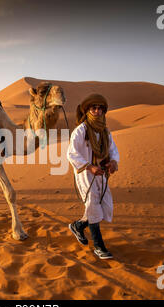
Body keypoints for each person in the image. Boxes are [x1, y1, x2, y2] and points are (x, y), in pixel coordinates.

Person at [67, 93, 120, 259]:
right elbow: (71, 153)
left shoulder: (105, 131)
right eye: (93, 108)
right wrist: (89, 167)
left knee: (103, 206)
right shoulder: (81, 130)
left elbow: (112, 150)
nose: (97, 111)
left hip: (101, 173)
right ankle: (99, 247)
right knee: (93, 206)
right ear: (88, 110)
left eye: (100, 109)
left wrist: (113, 162)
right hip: (85, 174)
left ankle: (78, 225)